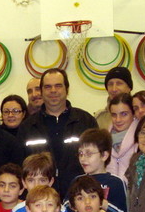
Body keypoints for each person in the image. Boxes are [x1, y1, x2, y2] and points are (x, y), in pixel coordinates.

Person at [17, 67, 98, 198]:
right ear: (42, 91)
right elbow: (21, 167)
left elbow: (97, 163)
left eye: (58, 86)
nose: (53, 91)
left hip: (80, 198)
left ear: (67, 89)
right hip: (40, 201)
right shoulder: (28, 127)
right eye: (48, 87)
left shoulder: (86, 122)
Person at [107, 92, 139, 183]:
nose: (118, 120)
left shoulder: (141, 139)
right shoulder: (103, 140)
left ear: (133, 114)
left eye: (124, 114)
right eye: (114, 115)